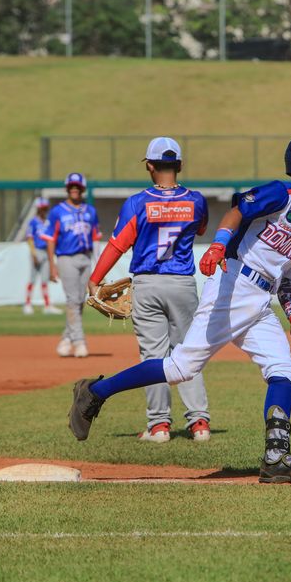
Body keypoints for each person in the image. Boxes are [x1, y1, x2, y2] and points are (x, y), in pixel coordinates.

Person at [65, 134, 291, 483]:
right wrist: (217, 245)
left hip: (260, 300)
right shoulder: (281, 193)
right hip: (233, 286)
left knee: (284, 371)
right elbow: (237, 211)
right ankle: (94, 392)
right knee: (181, 367)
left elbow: (289, 279)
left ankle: (276, 457)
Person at [88, 137, 211, 443]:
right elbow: (201, 229)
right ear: (179, 165)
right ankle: (199, 423)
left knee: (153, 357)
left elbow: (117, 245)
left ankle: (159, 426)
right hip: (182, 283)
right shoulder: (196, 200)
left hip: (148, 282)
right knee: (188, 351)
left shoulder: (137, 203)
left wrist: (96, 278)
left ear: (150, 166)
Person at [45, 173, 101, 358]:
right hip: (66, 258)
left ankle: (66, 339)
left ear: (83, 189)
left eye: (77, 186)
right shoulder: (58, 211)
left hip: (85, 257)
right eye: (71, 186)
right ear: (67, 188)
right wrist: (52, 265)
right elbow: (50, 239)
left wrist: (99, 266)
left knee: (80, 300)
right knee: (72, 300)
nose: (74, 189)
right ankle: (79, 342)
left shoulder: (90, 211)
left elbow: (95, 238)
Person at [23, 197, 62, 316]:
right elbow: (29, 238)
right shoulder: (33, 221)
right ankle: (27, 304)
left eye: (45, 208)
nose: (44, 210)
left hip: (46, 252)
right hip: (37, 251)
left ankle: (47, 305)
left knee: (45, 280)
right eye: (42, 208)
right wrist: (33, 254)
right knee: (32, 279)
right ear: (38, 209)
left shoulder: (48, 222)